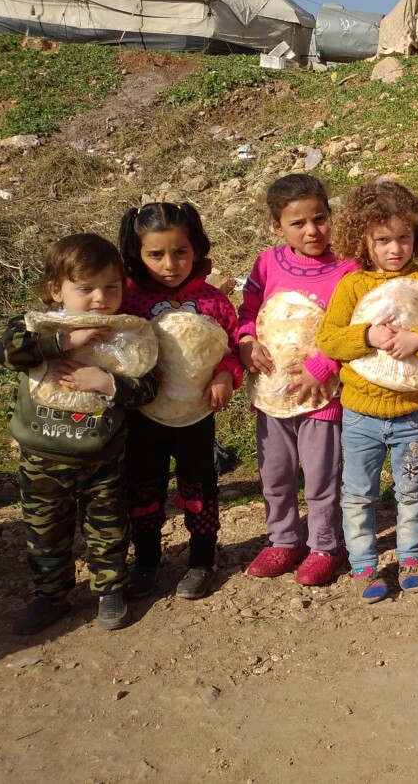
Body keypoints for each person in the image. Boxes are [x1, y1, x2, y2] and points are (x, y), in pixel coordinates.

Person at [0, 233, 159, 634]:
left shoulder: (130, 334)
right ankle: (51, 597)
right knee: (45, 531)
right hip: (43, 456)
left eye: (111, 287)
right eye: (85, 289)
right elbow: (5, 352)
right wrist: (65, 341)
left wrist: (105, 382)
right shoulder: (36, 326)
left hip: (102, 455)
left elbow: (148, 389)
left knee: (108, 527)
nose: (100, 298)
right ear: (56, 290)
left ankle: (110, 590)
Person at [316, 178, 418, 602]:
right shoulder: (352, 286)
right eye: (382, 240)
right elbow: (330, 339)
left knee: (412, 487)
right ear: (363, 240)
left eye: (404, 237)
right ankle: (364, 562)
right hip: (360, 415)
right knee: (359, 493)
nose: (395, 249)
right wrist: (368, 335)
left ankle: (411, 555)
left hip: (412, 413)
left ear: (417, 235)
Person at [237, 174, 359, 586]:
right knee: (276, 473)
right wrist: (245, 341)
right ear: (278, 227)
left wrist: (323, 367)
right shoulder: (267, 263)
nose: (312, 231)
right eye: (298, 223)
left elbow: (354, 328)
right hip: (272, 393)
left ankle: (325, 545)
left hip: (323, 397)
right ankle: (283, 539)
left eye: (320, 219)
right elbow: (248, 312)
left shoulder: (349, 267)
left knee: (321, 476)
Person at [119, 202, 242, 601]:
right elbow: (115, 348)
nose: (170, 264)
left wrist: (226, 375)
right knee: (143, 488)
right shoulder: (128, 300)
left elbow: (231, 346)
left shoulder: (213, 301)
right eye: (156, 254)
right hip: (144, 416)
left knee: (199, 486)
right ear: (137, 254)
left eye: (180, 252)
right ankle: (147, 562)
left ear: (196, 249)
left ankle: (202, 560)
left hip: (196, 415)